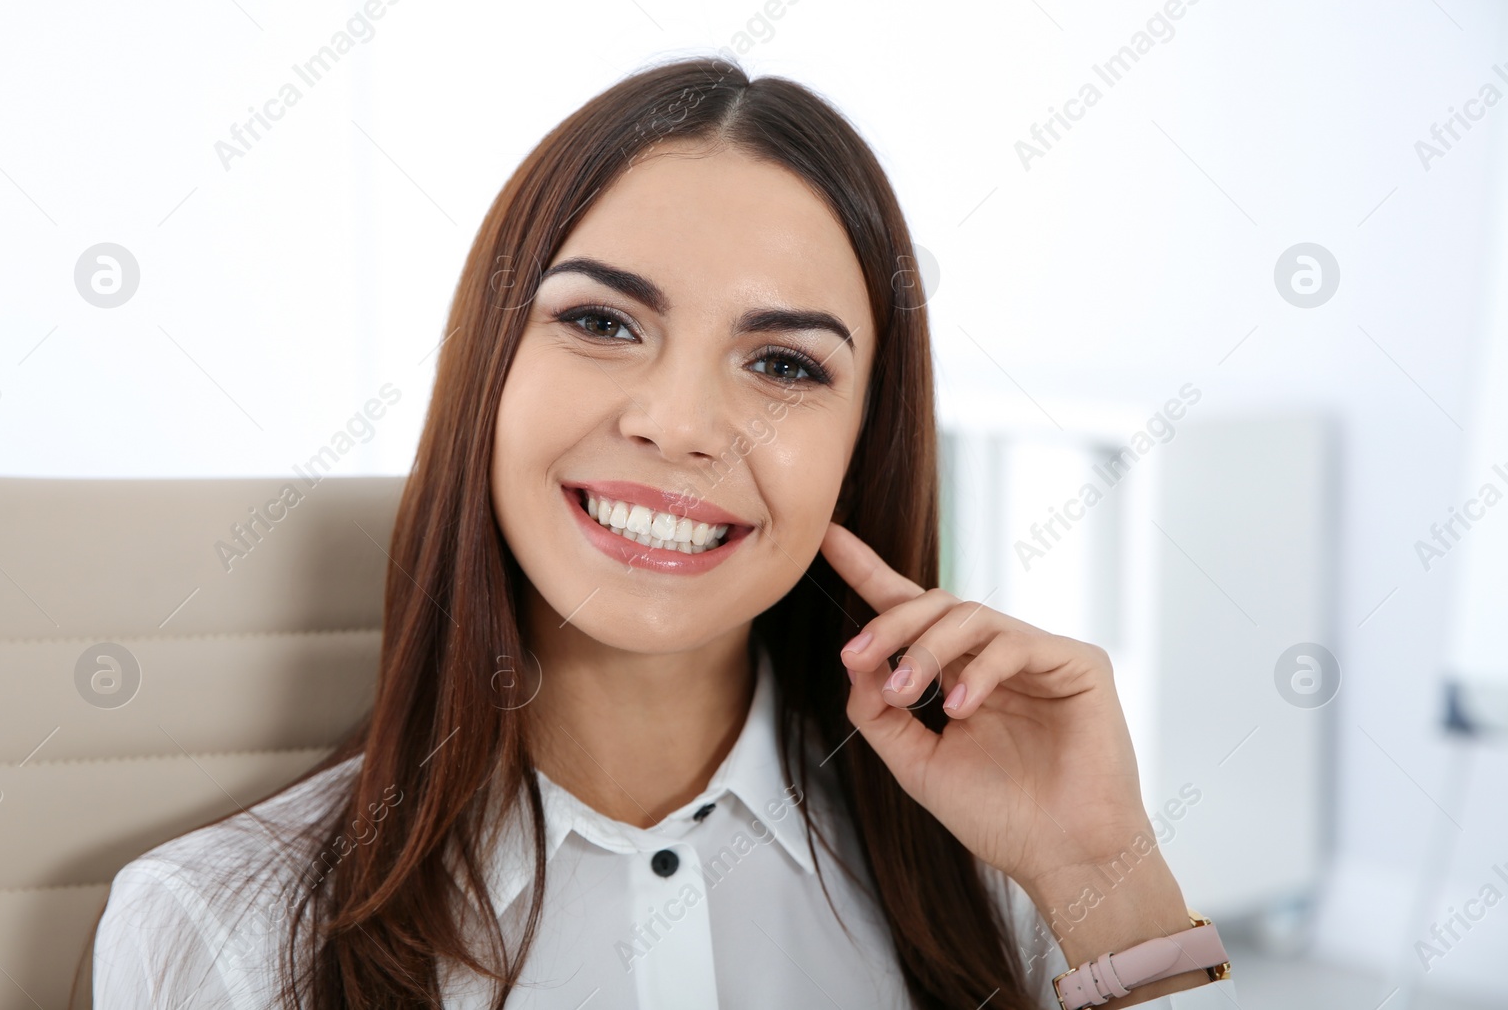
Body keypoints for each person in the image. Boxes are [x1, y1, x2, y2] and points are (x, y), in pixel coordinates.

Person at [89, 55, 1240, 1009]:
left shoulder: (1006, 875)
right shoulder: (220, 927)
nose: (682, 424)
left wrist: (1102, 871)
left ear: (860, 447)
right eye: (600, 319)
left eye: (784, 363)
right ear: (486, 370)